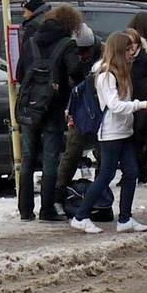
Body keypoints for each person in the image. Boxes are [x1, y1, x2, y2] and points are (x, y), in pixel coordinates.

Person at [70, 33, 147, 234]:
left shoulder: (121, 73)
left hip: (123, 130)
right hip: (110, 132)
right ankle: (81, 216)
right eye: (128, 50)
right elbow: (115, 105)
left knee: (131, 172)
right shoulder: (106, 75)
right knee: (106, 175)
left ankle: (125, 218)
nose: (132, 53)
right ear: (119, 51)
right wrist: (144, 104)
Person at [17, 4, 84, 222]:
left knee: (27, 159)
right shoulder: (68, 45)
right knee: (50, 160)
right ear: (71, 24)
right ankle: (47, 209)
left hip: (30, 106)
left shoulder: (31, 42)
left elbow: (19, 73)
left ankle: (25, 210)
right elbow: (76, 71)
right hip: (54, 108)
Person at [56, 23, 102, 192]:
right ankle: (60, 190)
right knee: (73, 151)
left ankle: (99, 191)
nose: (82, 56)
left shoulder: (102, 55)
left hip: (99, 109)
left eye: (85, 52)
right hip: (78, 108)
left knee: (102, 153)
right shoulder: (68, 55)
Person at [124, 27, 147, 183]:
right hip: (127, 100)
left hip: (143, 101)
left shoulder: (146, 58)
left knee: (139, 136)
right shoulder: (123, 60)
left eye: (134, 44)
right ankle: (130, 173)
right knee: (128, 138)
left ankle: (141, 172)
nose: (132, 48)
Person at [14, 0, 51, 82]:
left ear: (32, 10)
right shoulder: (50, 20)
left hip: (35, 77)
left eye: (25, 11)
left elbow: (28, 56)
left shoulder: (32, 27)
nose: (24, 15)